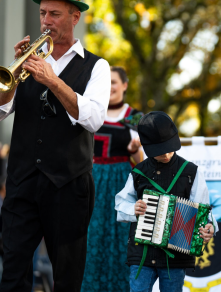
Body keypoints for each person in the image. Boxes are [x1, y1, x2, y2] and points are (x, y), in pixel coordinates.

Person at [0, 0, 111, 292]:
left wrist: (53, 81)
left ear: (75, 16)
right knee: (12, 274)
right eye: (43, 13)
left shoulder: (97, 67)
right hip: (22, 182)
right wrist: (13, 77)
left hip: (68, 185)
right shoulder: (29, 61)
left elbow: (93, 119)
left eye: (55, 14)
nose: (46, 20)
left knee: (67, 278)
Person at [115, 111, 217, 292]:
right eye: (160, 150)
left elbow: (204, 210)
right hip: (142, 255)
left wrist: (210, 227)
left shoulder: (191, 172)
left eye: (170, 146)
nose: (167, 153)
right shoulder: (138, 173)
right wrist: (133, 208)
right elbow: (121, 203)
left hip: (175, 258)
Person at [81, 66, 144, 292]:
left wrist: (133, 149)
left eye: (114, 82)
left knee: (121, 237)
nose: (110, 87)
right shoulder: (91, 111)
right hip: (92, 180)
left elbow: (143, 161)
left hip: (122, 181)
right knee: (92, 236)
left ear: (125, 85)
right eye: (106, 82)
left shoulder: (135, 117)